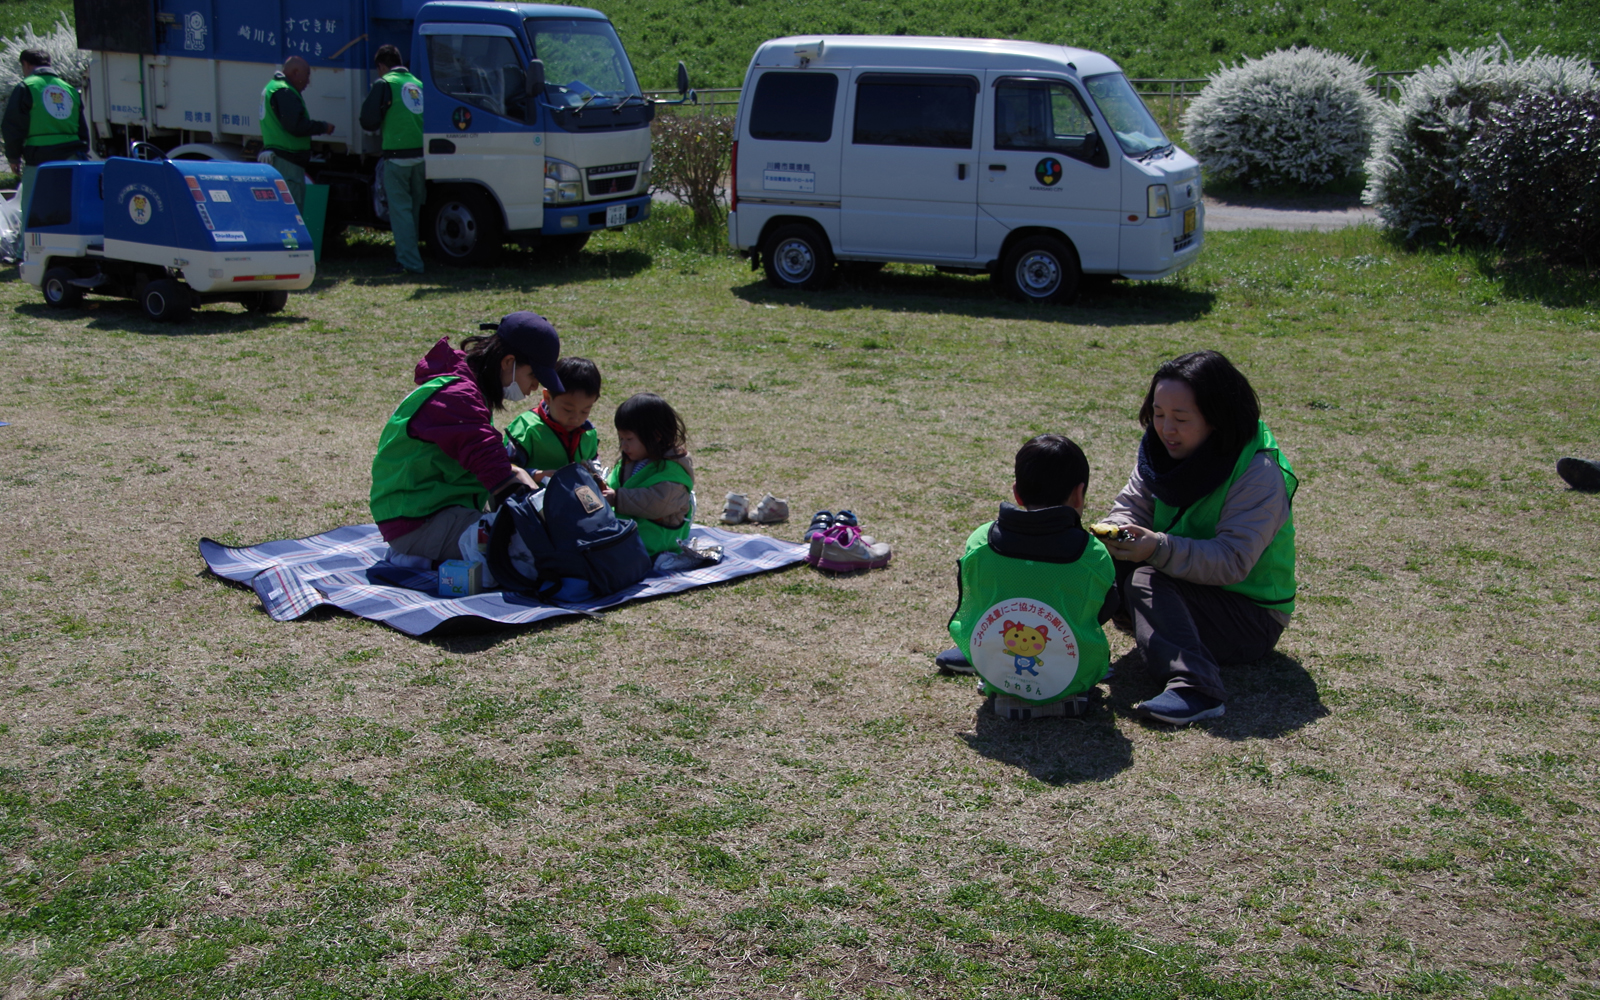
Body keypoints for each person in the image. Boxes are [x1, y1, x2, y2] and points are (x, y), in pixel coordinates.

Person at [1098, 350, 1298, 726]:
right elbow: (1131, 506)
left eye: (1181, 418)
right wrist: (1115, 532)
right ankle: (1028, 641)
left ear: (1217, 420)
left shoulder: (1259, 471)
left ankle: (1196, 689)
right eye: (1158, 414)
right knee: (1095, 556)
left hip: (1251, 613)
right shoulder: (1159, 454)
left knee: (1147, 576)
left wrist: (1156, 547)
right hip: (1185, 584)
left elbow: (1232, 561)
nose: (1165, 428)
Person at [939, 435, 1119, 719]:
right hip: (1075, 676)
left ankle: (993, 673)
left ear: (1017, 492)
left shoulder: (980, 542)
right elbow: (1104, 609)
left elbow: (974, 601)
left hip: (996, 670)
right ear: (1079, 494)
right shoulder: (1091, 553)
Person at [369, 311, 564, 566]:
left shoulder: (463, 384)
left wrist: (523, 476)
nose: (535, 388)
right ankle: (416, 555)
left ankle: (424, 554)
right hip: (417, 521)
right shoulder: (458, 397)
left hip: (428, 510)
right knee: (533, 551)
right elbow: (495, 471)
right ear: (508, 362)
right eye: (533, 377)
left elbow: (490, 464)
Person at [600, 393, 695, 558]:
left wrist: (617, 499)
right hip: (629, 536)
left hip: (656, 543)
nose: (623, 445)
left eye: (629, 438)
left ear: (655, 436)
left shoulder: (673, 469)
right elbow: (613, 485)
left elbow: (659, 502)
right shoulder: (630, 461)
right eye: (621, 438)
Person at [359, 44, 426, 274]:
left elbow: (367, 120)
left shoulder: (385, 83)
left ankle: (409, 263)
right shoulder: (418, 83)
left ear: (381, 66)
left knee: (401, 212)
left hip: (397, 158)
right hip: (421, 158)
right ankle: (412, 255)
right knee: (414, 210)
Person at [3, 50, 89, 227]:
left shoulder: (26, 87)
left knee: (32, 206)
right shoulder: (69, 89)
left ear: (26, 64)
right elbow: (82, 126)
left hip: (39, 156)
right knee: (66, 205)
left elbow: (13, 125)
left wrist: (13, 157)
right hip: (71, 155)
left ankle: (27, 249)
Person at [503, 356, 601, 481]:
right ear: (548, 398)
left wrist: (593, 471)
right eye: (567, 410)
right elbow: (504, 469)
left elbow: (594, 460)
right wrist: (538, 475)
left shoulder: (588, 432)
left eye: (585, 411)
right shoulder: (526, 429)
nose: (576, 419)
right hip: (531, 498)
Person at [259, 55, 335, 208]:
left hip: (280, 160)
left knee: (280, 212)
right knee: (291, 214)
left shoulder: (274, 87)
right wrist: (322, 127)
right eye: (307, 76)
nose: (308, 82)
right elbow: (295, 125)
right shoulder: (284, 91)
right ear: (295, 72)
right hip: (287, 163)